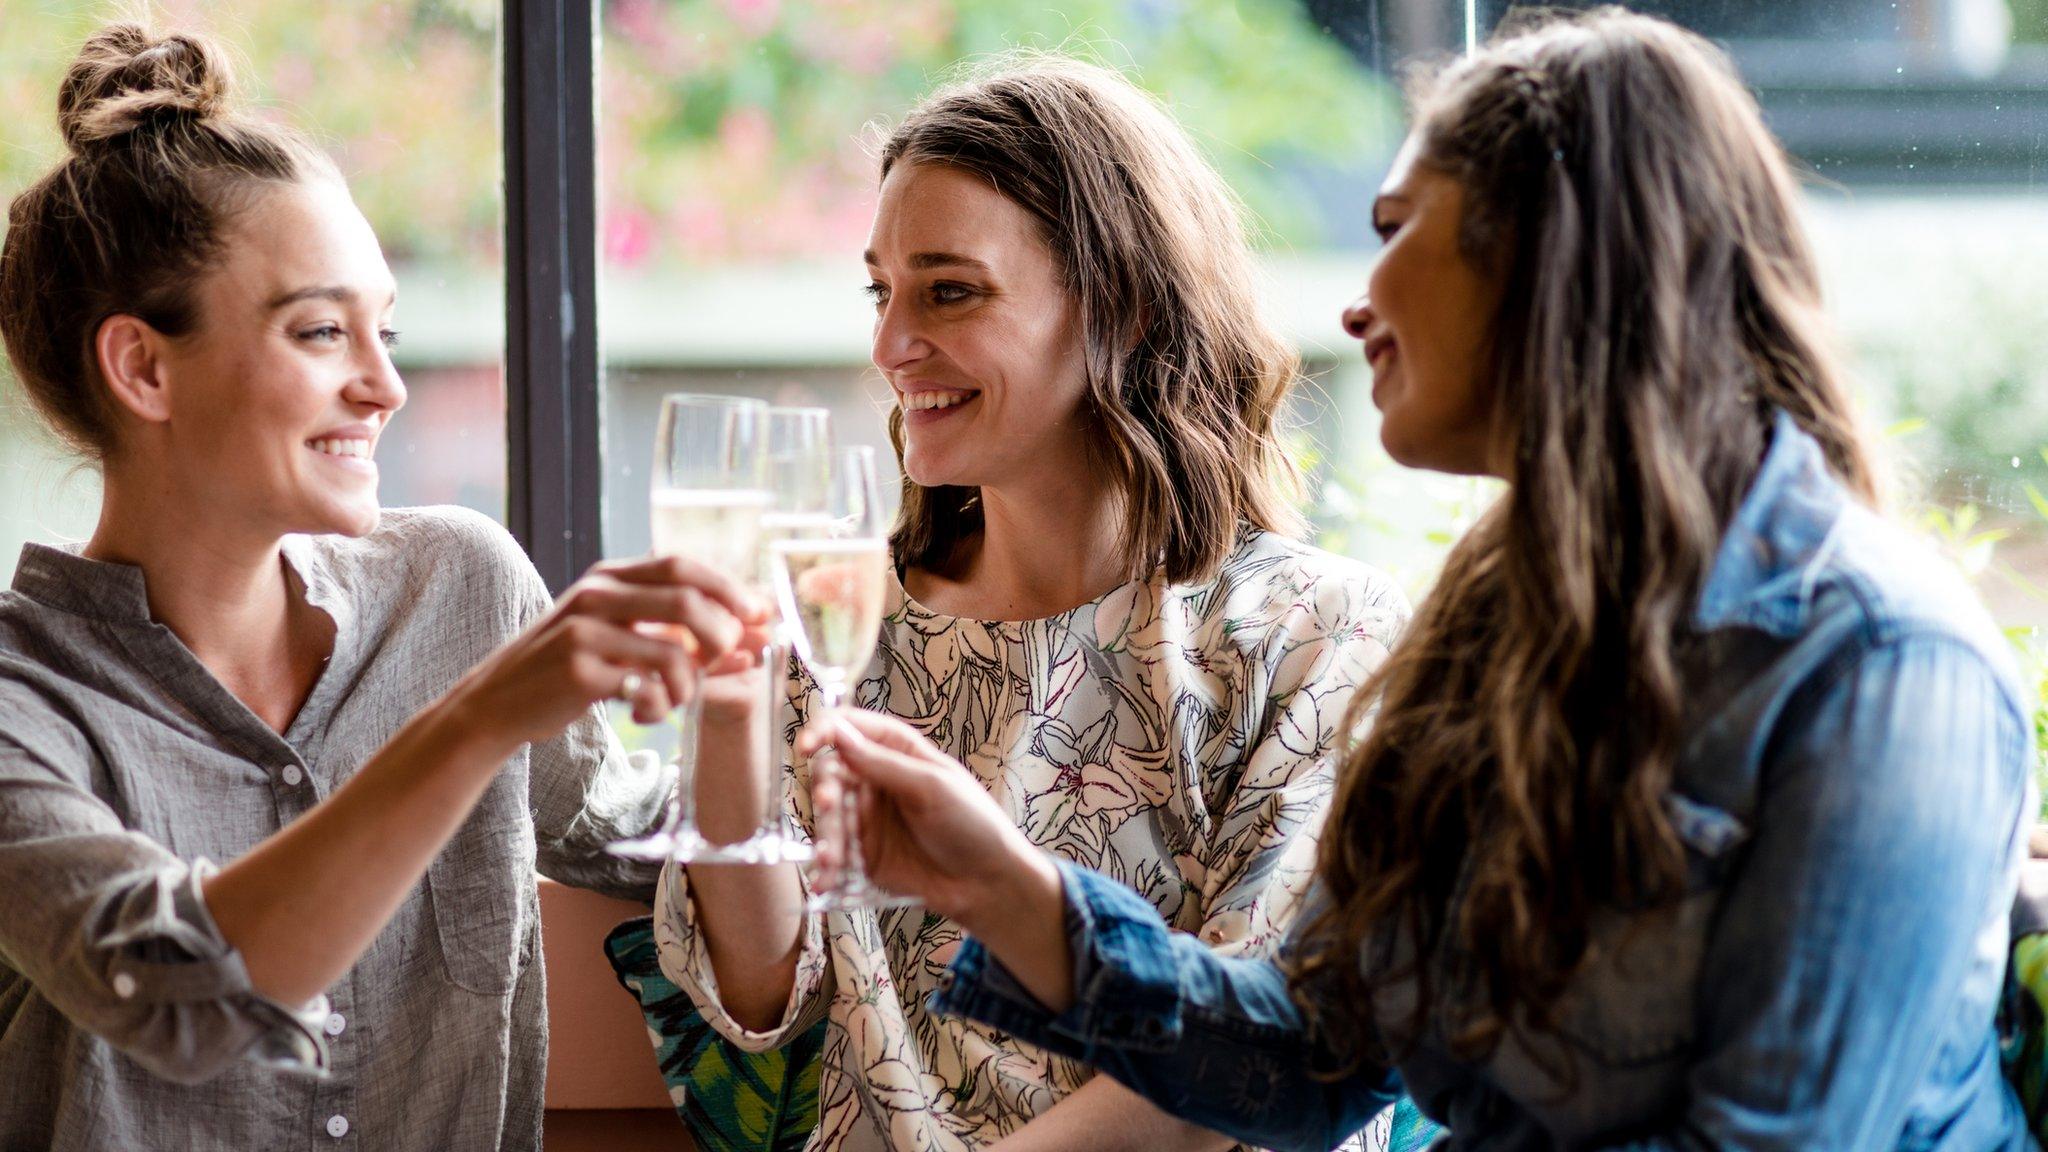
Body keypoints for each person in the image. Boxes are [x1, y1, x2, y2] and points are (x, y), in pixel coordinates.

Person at [809, 9, 2038, 1150]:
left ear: (1549, 258)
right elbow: (1307, 1052)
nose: (1355, 306)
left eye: (1397, 232)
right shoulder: (1492, 625)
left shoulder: (1880, 666)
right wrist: (997, 882)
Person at [0, 23, 767, 1149]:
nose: (386, 387)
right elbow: (181, 994)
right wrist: (481, 716)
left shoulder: (457, 585)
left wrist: (765, 709)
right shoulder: (24, 701)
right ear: (144, 367)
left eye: (386, 331)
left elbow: (658, 858)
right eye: (321, 331)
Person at [652, 56, 1412, 1152]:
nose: (888, 344)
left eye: (948, 290)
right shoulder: (838, 622)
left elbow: (1245, 1069)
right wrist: (727, 706)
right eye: (881, 291)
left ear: (1124, 306)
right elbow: (765, 998)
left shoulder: (1313, 637)